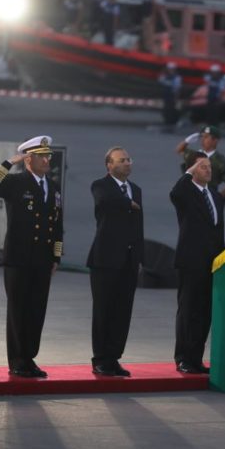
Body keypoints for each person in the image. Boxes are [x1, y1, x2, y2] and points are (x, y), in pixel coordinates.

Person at [0, 136, 63, 378]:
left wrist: (56, 257)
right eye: (42, 155)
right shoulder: (17, 182)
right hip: (19, 257)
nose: (48, 159)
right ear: (29, 159)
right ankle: (17, 360)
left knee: (37, 309)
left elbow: (58, 224)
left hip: (42, 259)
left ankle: (29, 357)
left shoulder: (53, 186)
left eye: (48, 155)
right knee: (19, 310)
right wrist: (9, 162)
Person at [87, 147, 144, 377]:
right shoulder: (101, 185)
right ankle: (100, 358)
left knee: (122, 311)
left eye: (129, 159)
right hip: (105, 259)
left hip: (128, 260)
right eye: (122, 160)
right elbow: (106, 201)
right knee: (104, 310)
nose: (127, 163)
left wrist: (140, 256)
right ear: (109, 165)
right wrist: (127, 203)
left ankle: (114, 358)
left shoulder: (136, 190)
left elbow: (138, 225)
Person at [169, 153, 225, 374]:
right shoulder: (185, 192)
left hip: (212, 262)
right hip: (191, 261)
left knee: (204, 312)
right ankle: (183, 357)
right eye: (202, 166)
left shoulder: (215, 195)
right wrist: (189, 171)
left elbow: (217, 230)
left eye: (209, 166)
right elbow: (176, 192)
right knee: (189, 310)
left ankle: (196, 358)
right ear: (191, 169)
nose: (208, 170)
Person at [175, 125, 225, 197]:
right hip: (189, 196)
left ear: (215, 140)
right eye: (202, 137)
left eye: (206, 137)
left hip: (207, 196)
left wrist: (217, 199)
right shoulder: (194, 155)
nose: (203, 139)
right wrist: (186, 141)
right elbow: (179, 150)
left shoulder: (220, 161)